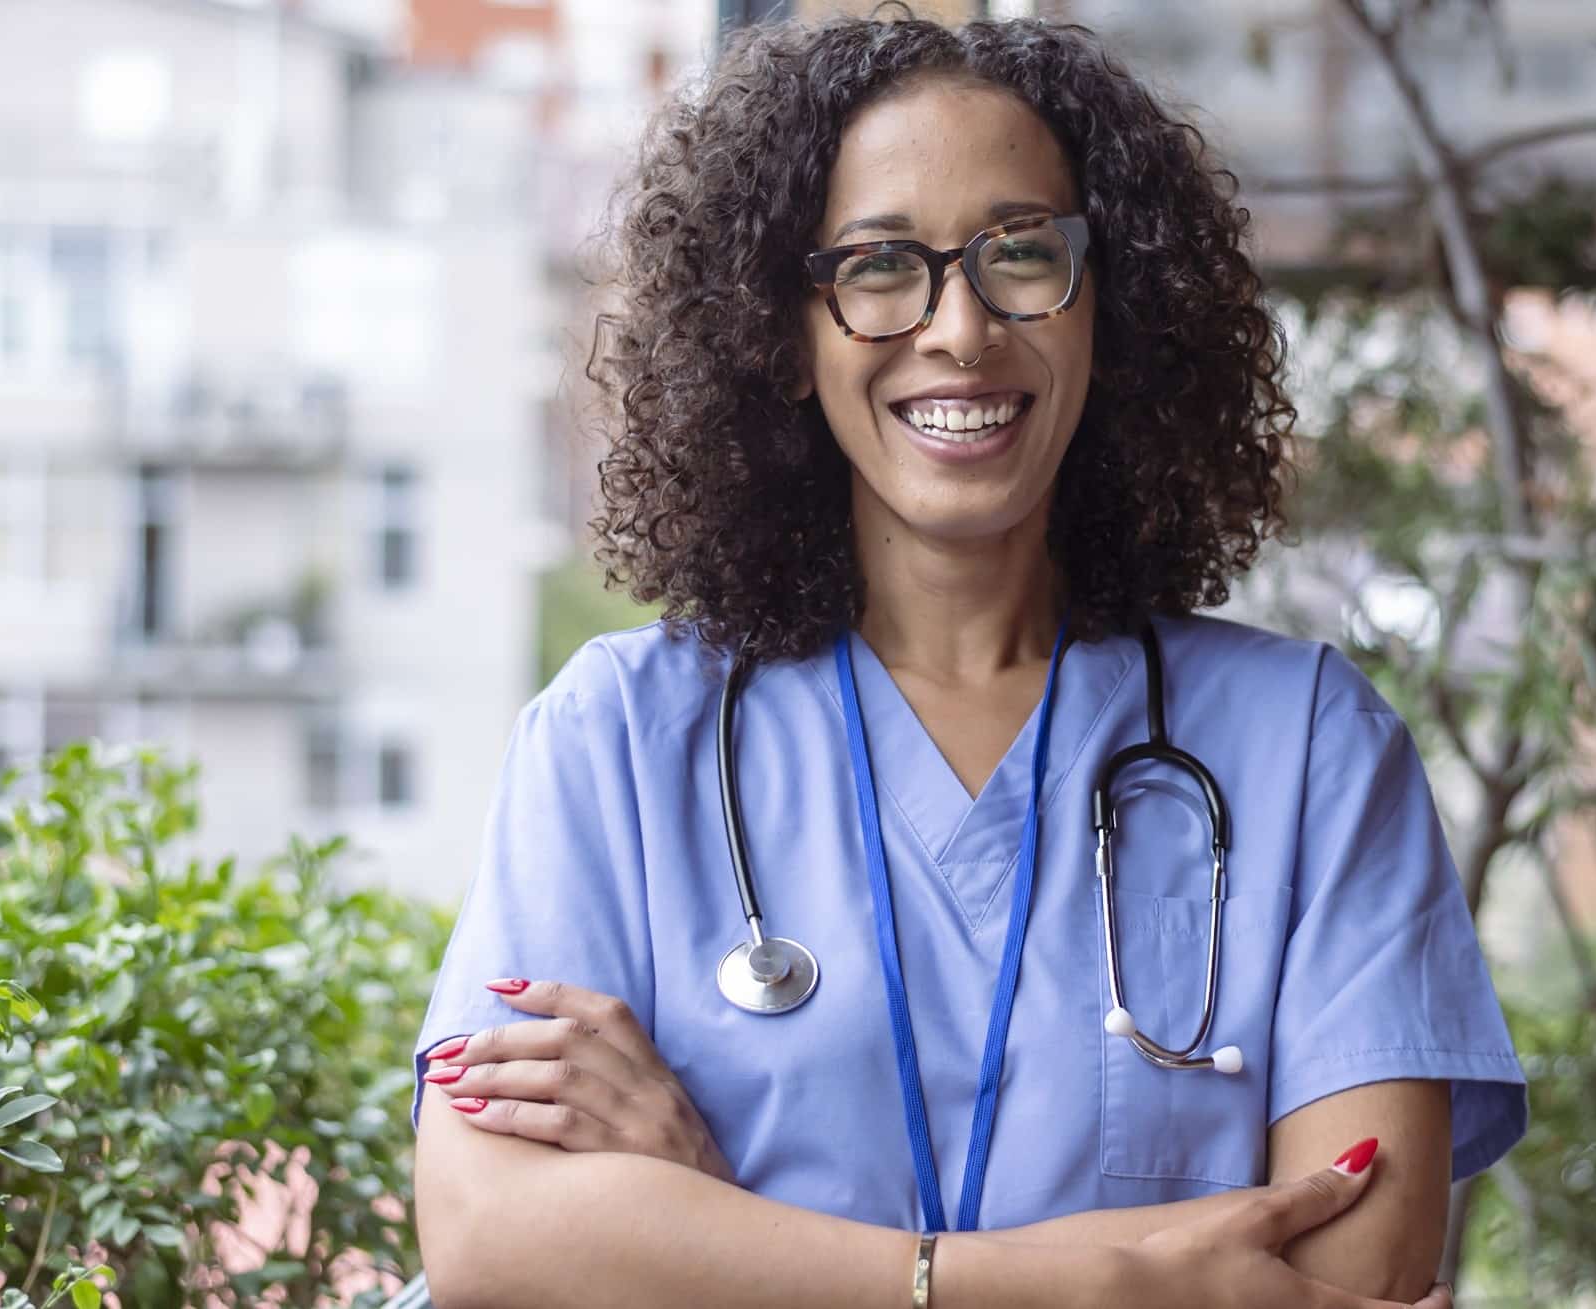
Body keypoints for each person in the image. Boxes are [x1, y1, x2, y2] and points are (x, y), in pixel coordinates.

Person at [409, 11, 1526, 1308]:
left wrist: (712, 1228)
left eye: (1023, 253)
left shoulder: (1313, 751)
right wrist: (1103, 1280)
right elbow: (490, 1237)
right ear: (786, 325)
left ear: (1113, 305)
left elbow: (1354, 1279)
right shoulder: (615, 740)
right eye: (882, 264)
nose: (961, 328)